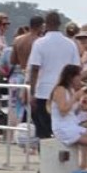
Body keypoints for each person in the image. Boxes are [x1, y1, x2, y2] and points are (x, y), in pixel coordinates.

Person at [27, 12, 79, 140]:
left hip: (44, 91)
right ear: (60, 24)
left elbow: (34, 69)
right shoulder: (70, 44)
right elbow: (76, 68)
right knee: (63, 129)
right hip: (64, 92)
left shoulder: (40, 43)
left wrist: (32, 92)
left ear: (45, 24)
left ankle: (45, 156)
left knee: (43, 131)